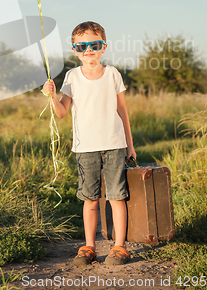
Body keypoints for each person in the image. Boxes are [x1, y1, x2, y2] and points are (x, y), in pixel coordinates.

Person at [43, 21, 136, 266]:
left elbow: (122, 110)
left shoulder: (113, 73)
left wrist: (130, 145)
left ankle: (119, 247)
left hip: (115, 144)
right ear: (74, 49)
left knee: (117, 196)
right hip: (85, 148)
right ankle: (89, 247)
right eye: (81, 46)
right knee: (90, 199)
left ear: (103, 47)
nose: (88, 50)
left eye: (94, 44)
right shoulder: (72, 76)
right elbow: (62, 112)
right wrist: (53, 95)